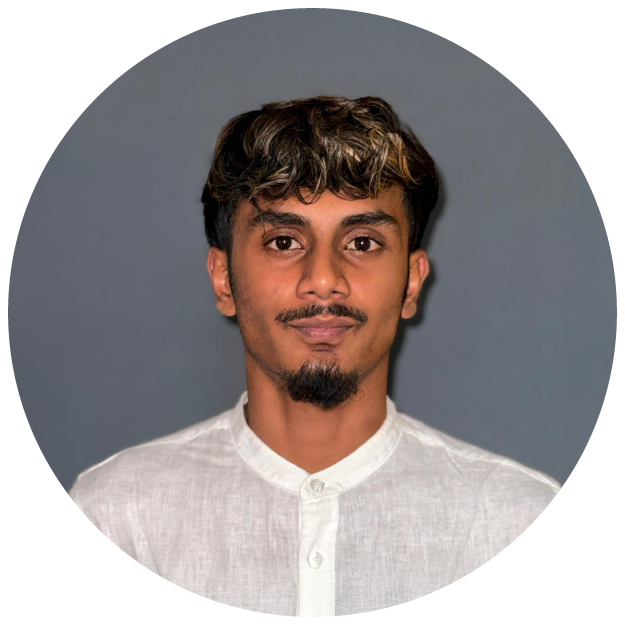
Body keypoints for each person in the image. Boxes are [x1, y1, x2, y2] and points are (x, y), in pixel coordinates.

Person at [69, 95, 560, 617]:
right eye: (284, 242)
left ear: (412, 283)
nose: (324, 280)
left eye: (363, 243)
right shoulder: (116, 521)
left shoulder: (518, 526)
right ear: (224, 279)